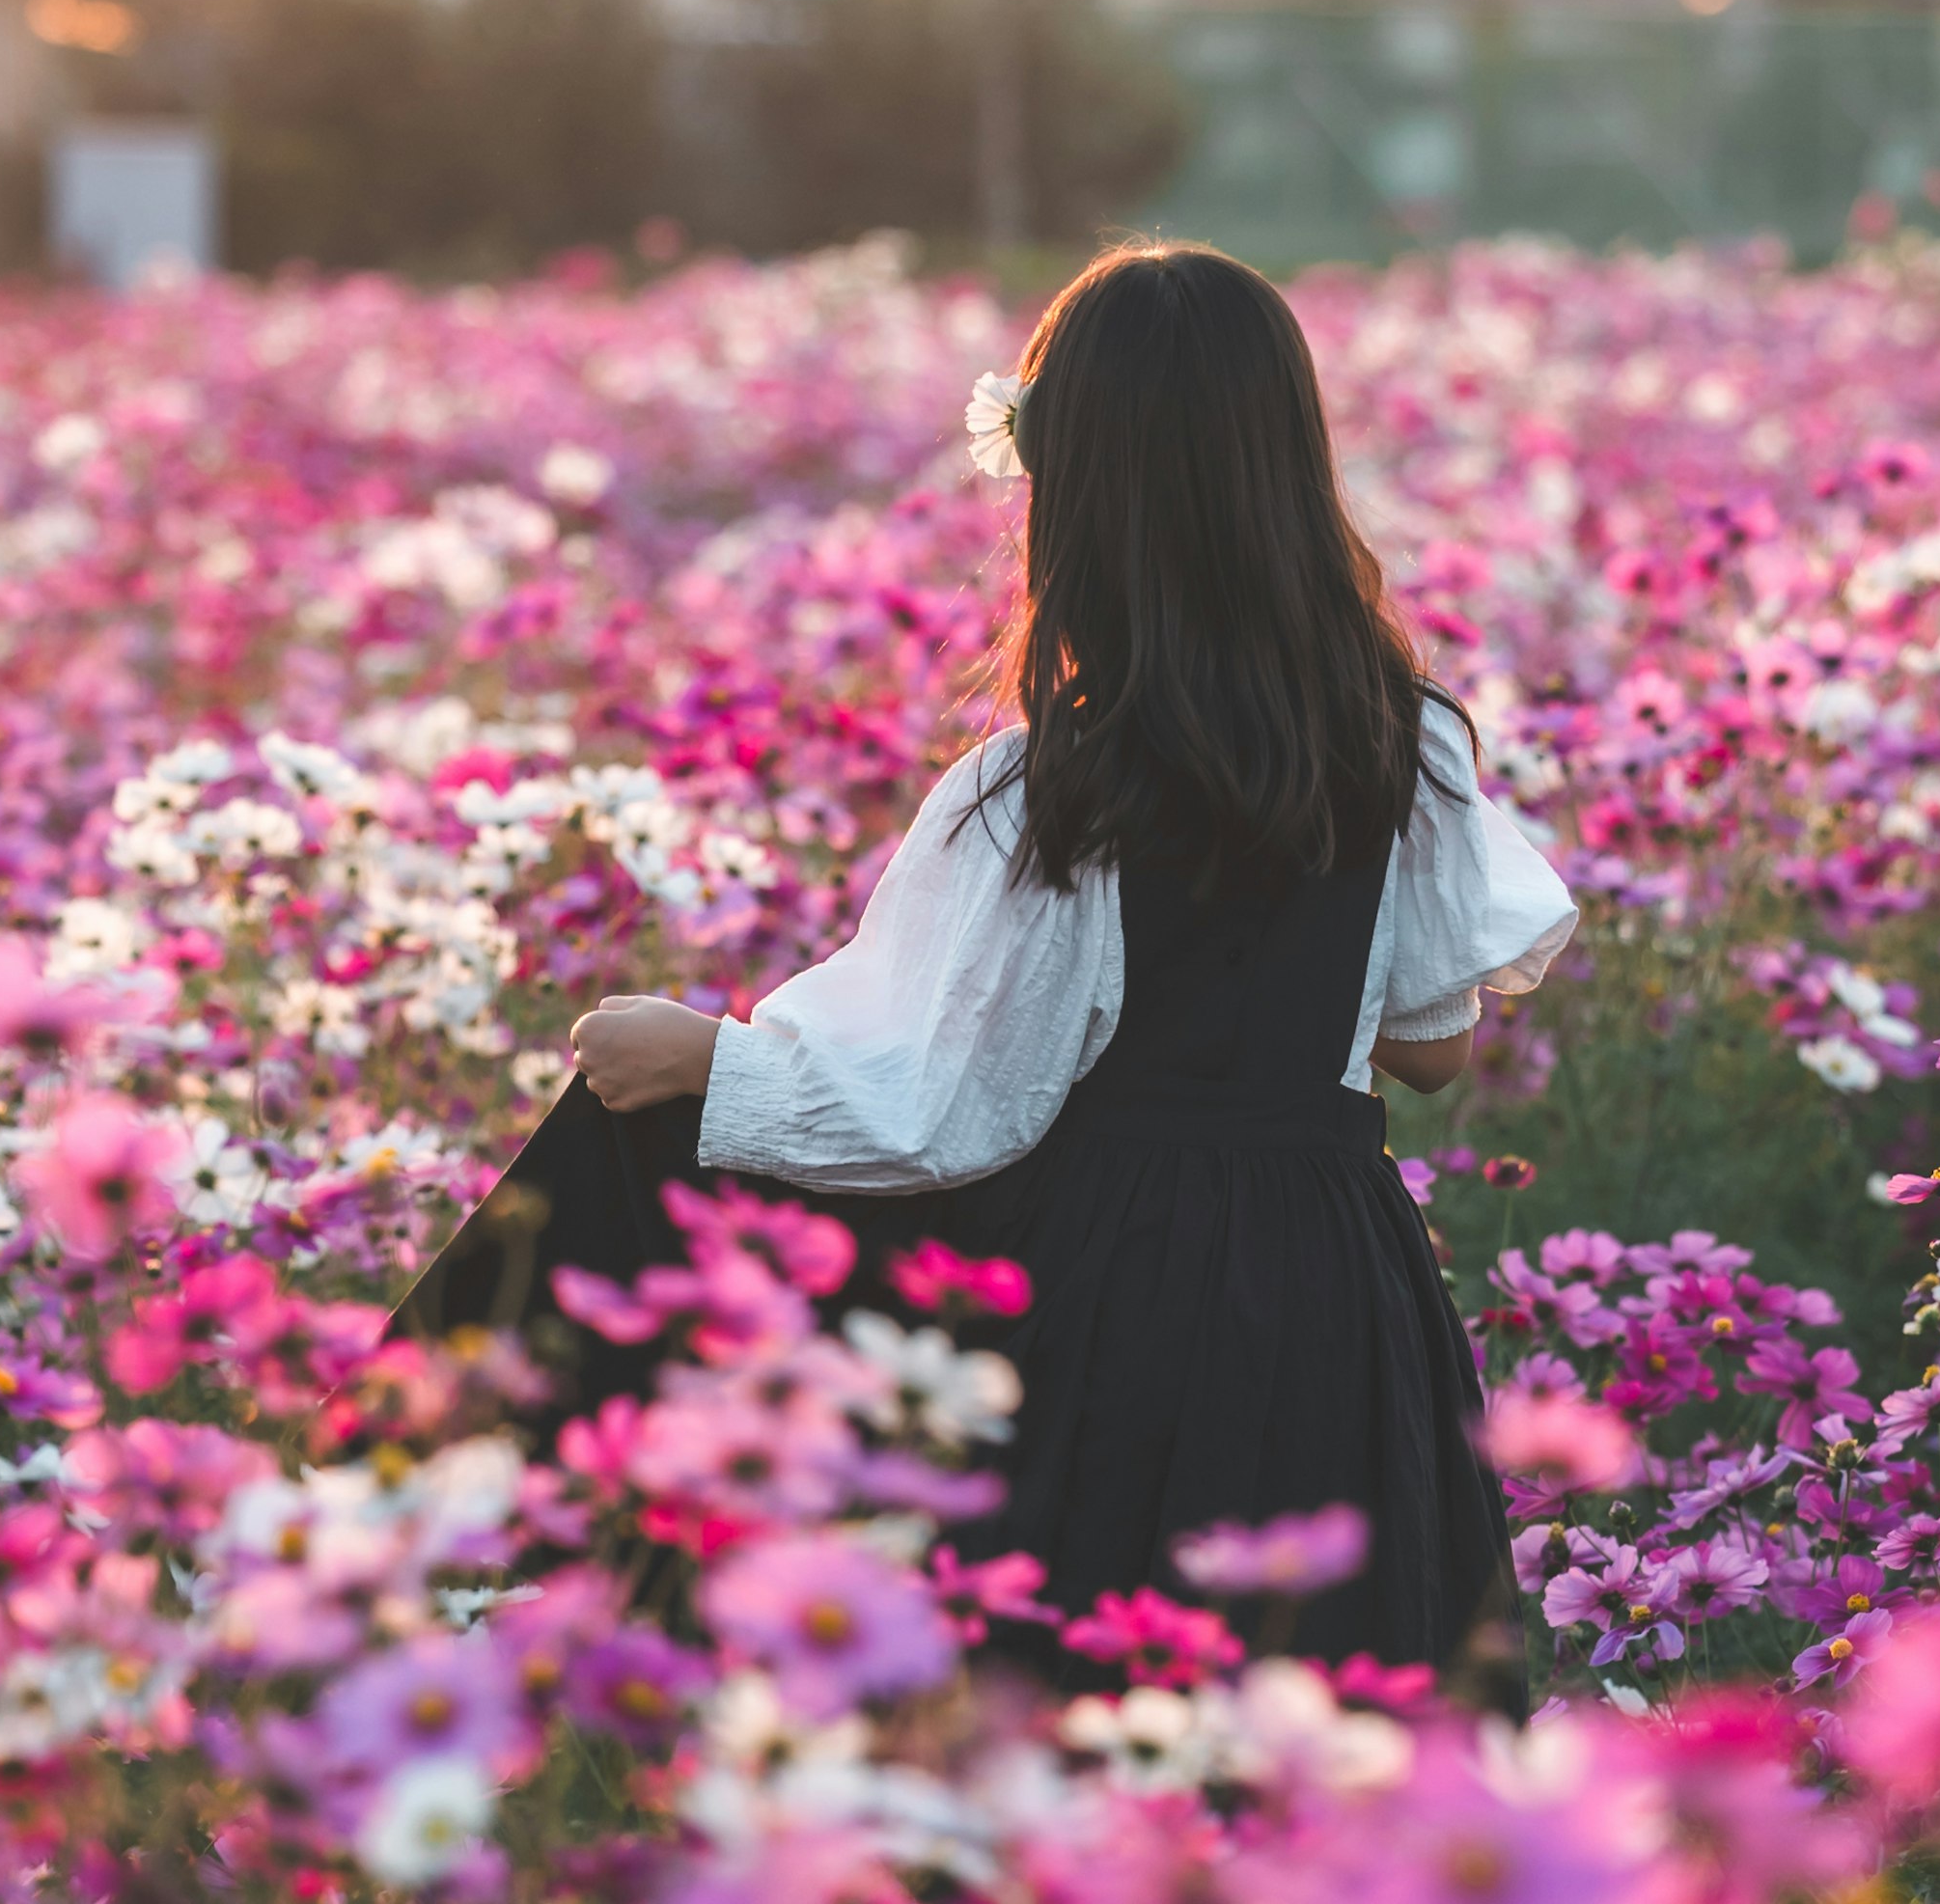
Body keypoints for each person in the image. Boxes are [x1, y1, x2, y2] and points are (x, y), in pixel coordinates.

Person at [402, 242, 1575, 1673]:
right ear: (1289, 461)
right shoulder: (1409, 745)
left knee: (1093, 1638)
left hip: (1122, 1284)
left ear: (1068, 490)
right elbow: (1434, 1047)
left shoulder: (1046, 790)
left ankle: (409, 1550)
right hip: (1334, 1279)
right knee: (1325, 1658)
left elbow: (950, 1108)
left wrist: (701, 1062)